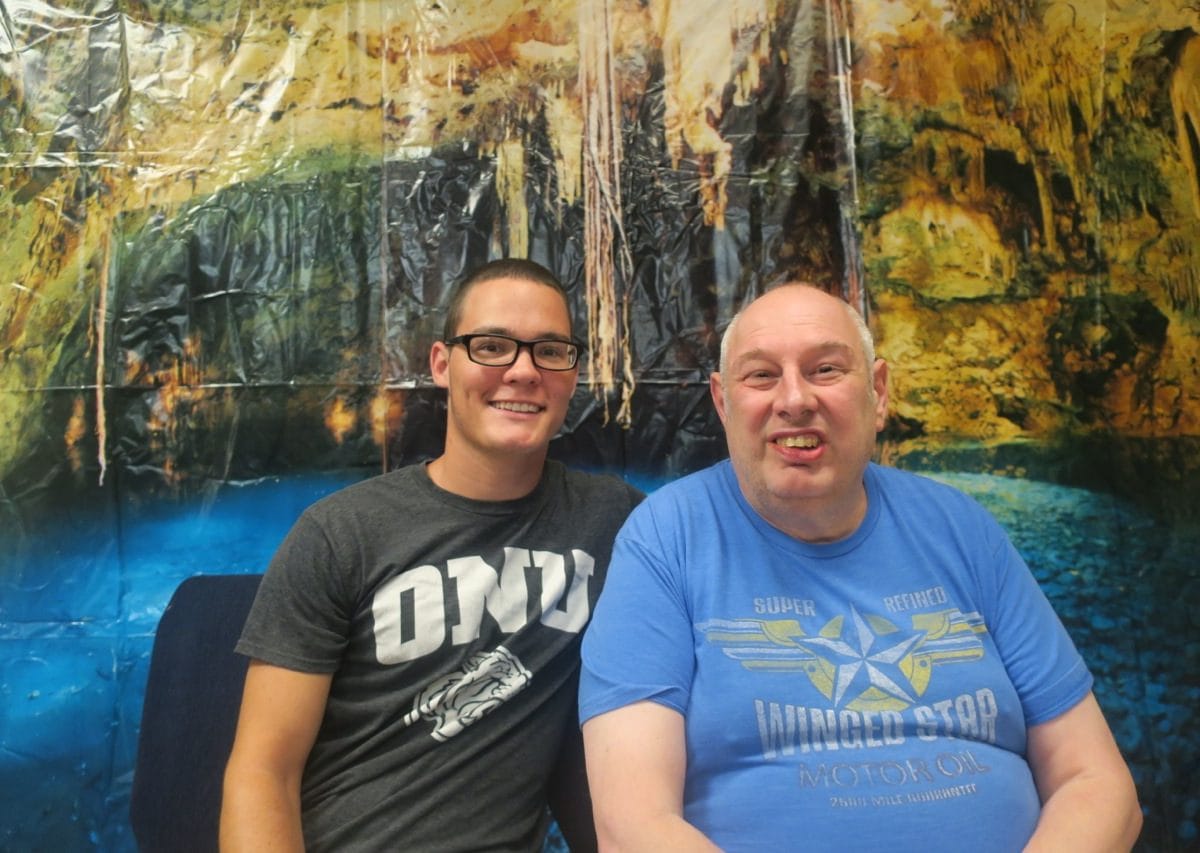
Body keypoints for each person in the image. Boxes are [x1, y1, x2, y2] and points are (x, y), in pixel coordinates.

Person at [578, 283, 1142, 852]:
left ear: (879, 391)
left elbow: (1095, 780)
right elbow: (631, 825)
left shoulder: (960, 526)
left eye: (825, 369)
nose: (794, 399)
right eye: (762, 375)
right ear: (723, 403)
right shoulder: (666, 538)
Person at [221, 258, 643, 852]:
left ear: (572, 374)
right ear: (443, 365)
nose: (523, 371)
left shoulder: (617, 523)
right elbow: (263, 771)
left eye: (550, 351)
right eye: (491, 346)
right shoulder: (340, 534)